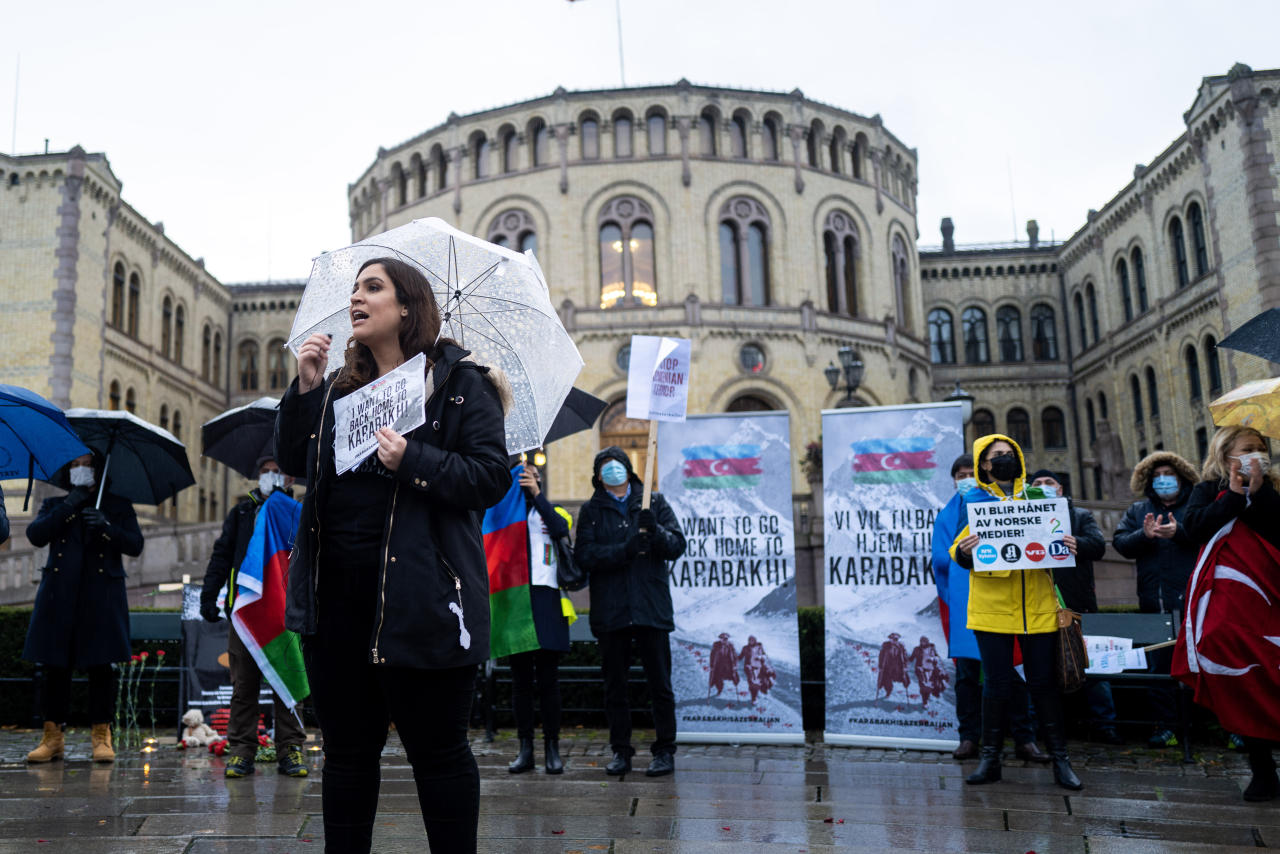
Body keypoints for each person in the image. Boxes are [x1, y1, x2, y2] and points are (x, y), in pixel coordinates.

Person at [276, 257, 510, 853]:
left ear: (407, 306)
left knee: (439, 755)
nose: (357, 297)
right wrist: (304, 390)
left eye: (372, 287)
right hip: (340, 607)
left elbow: (488, 478)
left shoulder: (460, 384)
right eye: (355, 288)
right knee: (348, 757)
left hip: (424, 603)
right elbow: (302, 467)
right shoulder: (338, 389)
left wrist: (414, 460)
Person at [951, 434, 1083, 790]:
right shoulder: (974, 499)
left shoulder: (1038, 497)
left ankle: (1061, 762)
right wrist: (964, 552)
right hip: (991, 609)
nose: (1005, 459)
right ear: (984, 464)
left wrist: (1070, 543)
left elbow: (1062, 537)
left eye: (1010, 454)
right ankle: (990, 760)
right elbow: (956, 551)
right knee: (995, 685)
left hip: (1038, 608)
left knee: (1044, 685)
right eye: (997, 456)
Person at [23, 452, 143, 763]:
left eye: (86, 464)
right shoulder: (55, 505)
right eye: (75, 465)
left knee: (101, 667)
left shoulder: (117, 505)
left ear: (98, 468)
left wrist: (106, 527)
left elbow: (135, 544)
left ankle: (101, 737)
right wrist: (69, 504)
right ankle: (53, 737)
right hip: (59, 595)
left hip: (101, 595)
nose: (80, 470)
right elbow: (36, 535)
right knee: (54, 667)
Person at [1181, 425, 1280, 802]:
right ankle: (1263, 769)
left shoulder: (1274, 488)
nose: (1256, 453)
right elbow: (1193, 529)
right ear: (1226, 456)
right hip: (1232, 602)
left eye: (1260, 447)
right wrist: (1235, 497)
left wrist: (1262, 496)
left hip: (1272, 596)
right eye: (1247, 448)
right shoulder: (1207, 490)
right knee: (1246, 678)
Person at [575, 447, 687, 778]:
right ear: (598, 476)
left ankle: (665, 750)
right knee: (615, 687)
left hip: (650, 607)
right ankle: (620, 751)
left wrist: (655, 532)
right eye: (605, 467)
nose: (612, 471)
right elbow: (585, 555)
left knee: (660, 685)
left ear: (629, 469)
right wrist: (623, 551)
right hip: (612, 611)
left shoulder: (653, 503)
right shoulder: (591, 510)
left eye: (618, 465)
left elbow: (677, 545)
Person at [933, 454, 1046, 762]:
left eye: (971, 472)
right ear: (953, 479)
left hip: (1000, 599)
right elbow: (940, 561)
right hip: (962, 601)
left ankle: (1024, 738)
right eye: (960, 474)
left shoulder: (998, 503)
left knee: (1012, 671)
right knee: (967, 674)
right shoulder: (945, 516)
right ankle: (969, 738)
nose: (966, 478)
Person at [200, 455, 307, 779]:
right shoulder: (242, 512)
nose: (270, 477)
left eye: (277, 472)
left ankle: (290, 749)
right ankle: (241, 751)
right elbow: (222, 555)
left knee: (287, 684)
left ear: (288, 479)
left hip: (285, 615)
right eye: (265, 472)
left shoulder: (297, 513)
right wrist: (210, 595)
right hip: (245, 616)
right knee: (243, 687)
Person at [1112, 451, 1200, 749]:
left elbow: (1207, 536)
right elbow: (1121, 544)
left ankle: (1212, 728)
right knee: (1158, 669)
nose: (1163, 480)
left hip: (1195, 602)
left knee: (1201, 665)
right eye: (1158, 475)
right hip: (1154, 602)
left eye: (1169, 474)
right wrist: (1144, 535)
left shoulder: (1196, 506)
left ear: (1181, 477)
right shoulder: (1138, 510)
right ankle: (1166, 728)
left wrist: (1179, 533)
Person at [1028, 469, 1120, 745]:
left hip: (1076, 604)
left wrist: (1077, 543)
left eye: (1049, 483)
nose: (1043, 486)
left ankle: (1106, 726)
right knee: (1040, 669)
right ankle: (1041, 727)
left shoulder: (1079, 516)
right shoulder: (1025, 518)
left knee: (1090, 669)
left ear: (1060, 488)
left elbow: (1098, 545)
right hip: (1038, 606)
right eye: (1037, 483)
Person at [505, 462, 575, 776]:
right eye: (521, 475)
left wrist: (537, 496)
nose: (526, 479)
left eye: (532, 474)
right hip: (517, 601)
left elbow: (560, 530)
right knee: (520, 683)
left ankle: (552, 748)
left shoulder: (555, 511)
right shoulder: (505, 516)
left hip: (547, 599)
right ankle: (525, 749)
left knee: (548, 681)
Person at [909, 636, 948, 708]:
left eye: (924, 641)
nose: (922, 643)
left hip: (931, 671)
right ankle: (925, 701)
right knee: (923, 686)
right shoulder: (917, 649)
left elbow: (937, 658)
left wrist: (933, 659)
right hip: (920, 670)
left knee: (930, 686)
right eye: (921, 641)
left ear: (927, 642)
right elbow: (911, 658)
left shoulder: (932, 648)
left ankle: (927, 697)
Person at [738, 635, 775, 703]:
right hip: (749, 668)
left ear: (755, 640)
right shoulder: (745, 648)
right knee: (752, 683)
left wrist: (760, 657)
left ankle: (761, 691)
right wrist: (733, 660)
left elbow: (764, 655)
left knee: (761, 681)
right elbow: (740, 657)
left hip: (759, 668)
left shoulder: (759, 647)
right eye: (750, 640)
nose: (751, 641)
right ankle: (754, 698)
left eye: (752, 640)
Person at [876, 633, 910, 699]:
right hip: (887, 667)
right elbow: (881, 656)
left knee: (904, 679)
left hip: (897, 667)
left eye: (896, 639)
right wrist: (880, 665)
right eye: (892, 639)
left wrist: (905, 666)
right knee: (886, 680)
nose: (894, 641)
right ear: (890, 639)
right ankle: (888, 691)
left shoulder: (901, 647)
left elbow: (905, 657)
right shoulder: (886, 646)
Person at [709, 633, 739, 697]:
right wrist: (711, 665)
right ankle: (720, 689)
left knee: (734, 678)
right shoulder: (716, 645)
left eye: (726, 639)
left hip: (728, 665)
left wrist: (735, 665)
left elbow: (735, 656)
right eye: (722, 638)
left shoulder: (730, 645)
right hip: (718, 665)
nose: (724, 640)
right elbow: (712, 655)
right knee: (717, 679)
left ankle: (732, 683)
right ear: (720, 639)